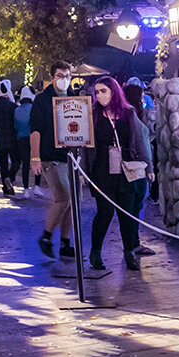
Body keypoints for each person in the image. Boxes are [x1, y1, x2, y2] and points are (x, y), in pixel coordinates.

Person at [84, 76, 144, 274]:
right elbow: (85, 146)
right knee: (105, 212)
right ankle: (96, 252)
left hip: (126, 167)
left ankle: (129, 252)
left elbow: (139, 140)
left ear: (113, 92)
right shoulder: (93, 115)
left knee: (127, 212)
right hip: (101, 167)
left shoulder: (128, 113)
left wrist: (148, 167)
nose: (100, 95)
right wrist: (84, 172)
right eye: (97, 92)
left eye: (104, 91)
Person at [27, 62, 81, 259]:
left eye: (67, 75)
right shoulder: (42, 101)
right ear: (52, 77)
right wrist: (35, 157)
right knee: (64, 197)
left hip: (72, 158)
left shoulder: (75, 98)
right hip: (51, 157)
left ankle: (65, 244)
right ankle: (46, 236)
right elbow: (35, 130)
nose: (64, 79)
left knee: (73, 201)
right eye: (60, 75)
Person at [123, 81, 157, 257]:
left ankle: (132, 243)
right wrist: (149, 167)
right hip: (137, 167)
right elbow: (141, 142)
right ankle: (132, 244)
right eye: (142, 95)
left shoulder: (129, 113)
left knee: (134, 208)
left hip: (135, 165)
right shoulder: (132, 114)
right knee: (135, 207)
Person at [0, 80, 20, 196]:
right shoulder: (12, 106)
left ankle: (6, 185)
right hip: (12, 138)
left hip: (0, 138)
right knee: (16, 161)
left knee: (3, 163)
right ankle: (10, 178)